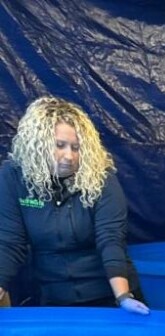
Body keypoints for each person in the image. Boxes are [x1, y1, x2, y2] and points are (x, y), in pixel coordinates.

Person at [0, 96, 148, 312]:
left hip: (106, 293)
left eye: (76, 148)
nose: (69, 156)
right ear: (37, 145)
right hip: (53, 297)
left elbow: (110, 240)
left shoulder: (101, 178)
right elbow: (9, 242)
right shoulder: (13, 178)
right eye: (59, 145)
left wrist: (123, 296)